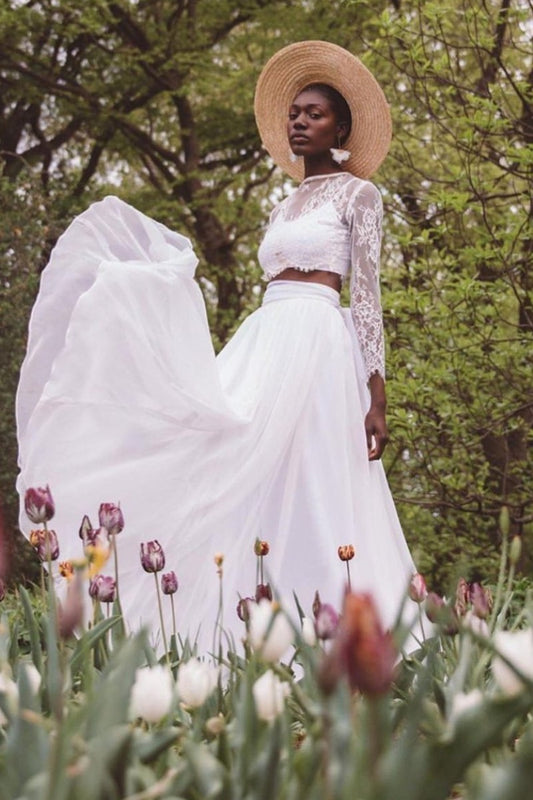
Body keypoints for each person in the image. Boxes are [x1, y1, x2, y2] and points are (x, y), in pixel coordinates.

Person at [16, 41, 420, 652]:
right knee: (225, 451)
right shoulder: (284, 205)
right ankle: (246, 620)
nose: (300, 121)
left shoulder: (359, 195)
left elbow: (365, 298)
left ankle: (338, 625)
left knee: (316, 473)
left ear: (341, 126)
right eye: (295, 113)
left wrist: (377, 395)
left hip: (319, 339)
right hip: (267, 333)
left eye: (315, 113)